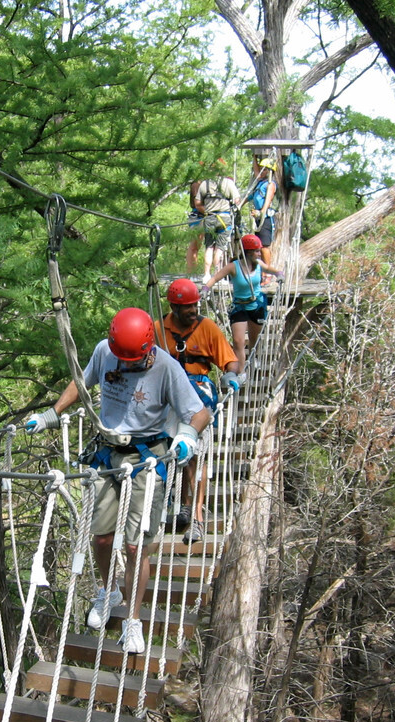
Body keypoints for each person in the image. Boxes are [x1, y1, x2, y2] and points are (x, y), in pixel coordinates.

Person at [26, 308, 212, 654]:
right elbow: (83, 382)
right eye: (122, 359)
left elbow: (200, 412)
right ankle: (108, 589)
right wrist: (52, 414)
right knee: (101, 538)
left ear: (148, 349)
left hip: (146, 458)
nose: (126, 365)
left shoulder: (166, 368)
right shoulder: (105, 351)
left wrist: (186, 435)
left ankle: (133, 619)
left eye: (134, 359)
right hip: (107, 454)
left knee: (135, 546)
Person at [156, 278, 241, 543]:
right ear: (173, 306)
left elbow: (230, 361)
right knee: (169, 452)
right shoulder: (159, 329)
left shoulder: (208, 329)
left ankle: (196, 519)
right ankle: (178, 504)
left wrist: (230, 375)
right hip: (169, 397)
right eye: (187, 307)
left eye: (195, 305)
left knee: (194, 455)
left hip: (198, 395)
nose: (193, 310)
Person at [202, 233, 281, 375]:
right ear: (248, 252)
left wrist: (279, 274)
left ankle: (253, 356)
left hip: (256, 305)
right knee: (238, 341)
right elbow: (216, 278)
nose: (259, 254)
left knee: (254, 339)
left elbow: (270, 269)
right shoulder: (234, 266)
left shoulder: (258, 265)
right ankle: (241, 371)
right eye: (257, 251)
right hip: (239, 306)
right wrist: (206, 289)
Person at [192, 168, 242, 284]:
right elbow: (237, 200)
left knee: (209, 246)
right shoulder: (228, 183)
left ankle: (206, 274)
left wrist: (207, 210)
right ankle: (217, 275)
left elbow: (197, 203)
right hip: (224, 218)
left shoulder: (205, 184)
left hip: (209, 217)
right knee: (220, 248)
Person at [247, 155, 277, 270]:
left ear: (269, 172)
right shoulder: (259, 183)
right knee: (258, 246)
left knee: (264, 246)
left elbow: (268, 201)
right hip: (258, 218)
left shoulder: (270, 185)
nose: (261, 171)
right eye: (262, 169)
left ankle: (267, 272)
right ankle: (261, 270)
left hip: (266, 218)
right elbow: (256, 172)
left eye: (265, 169)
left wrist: (261, 212)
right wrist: (254, 157)